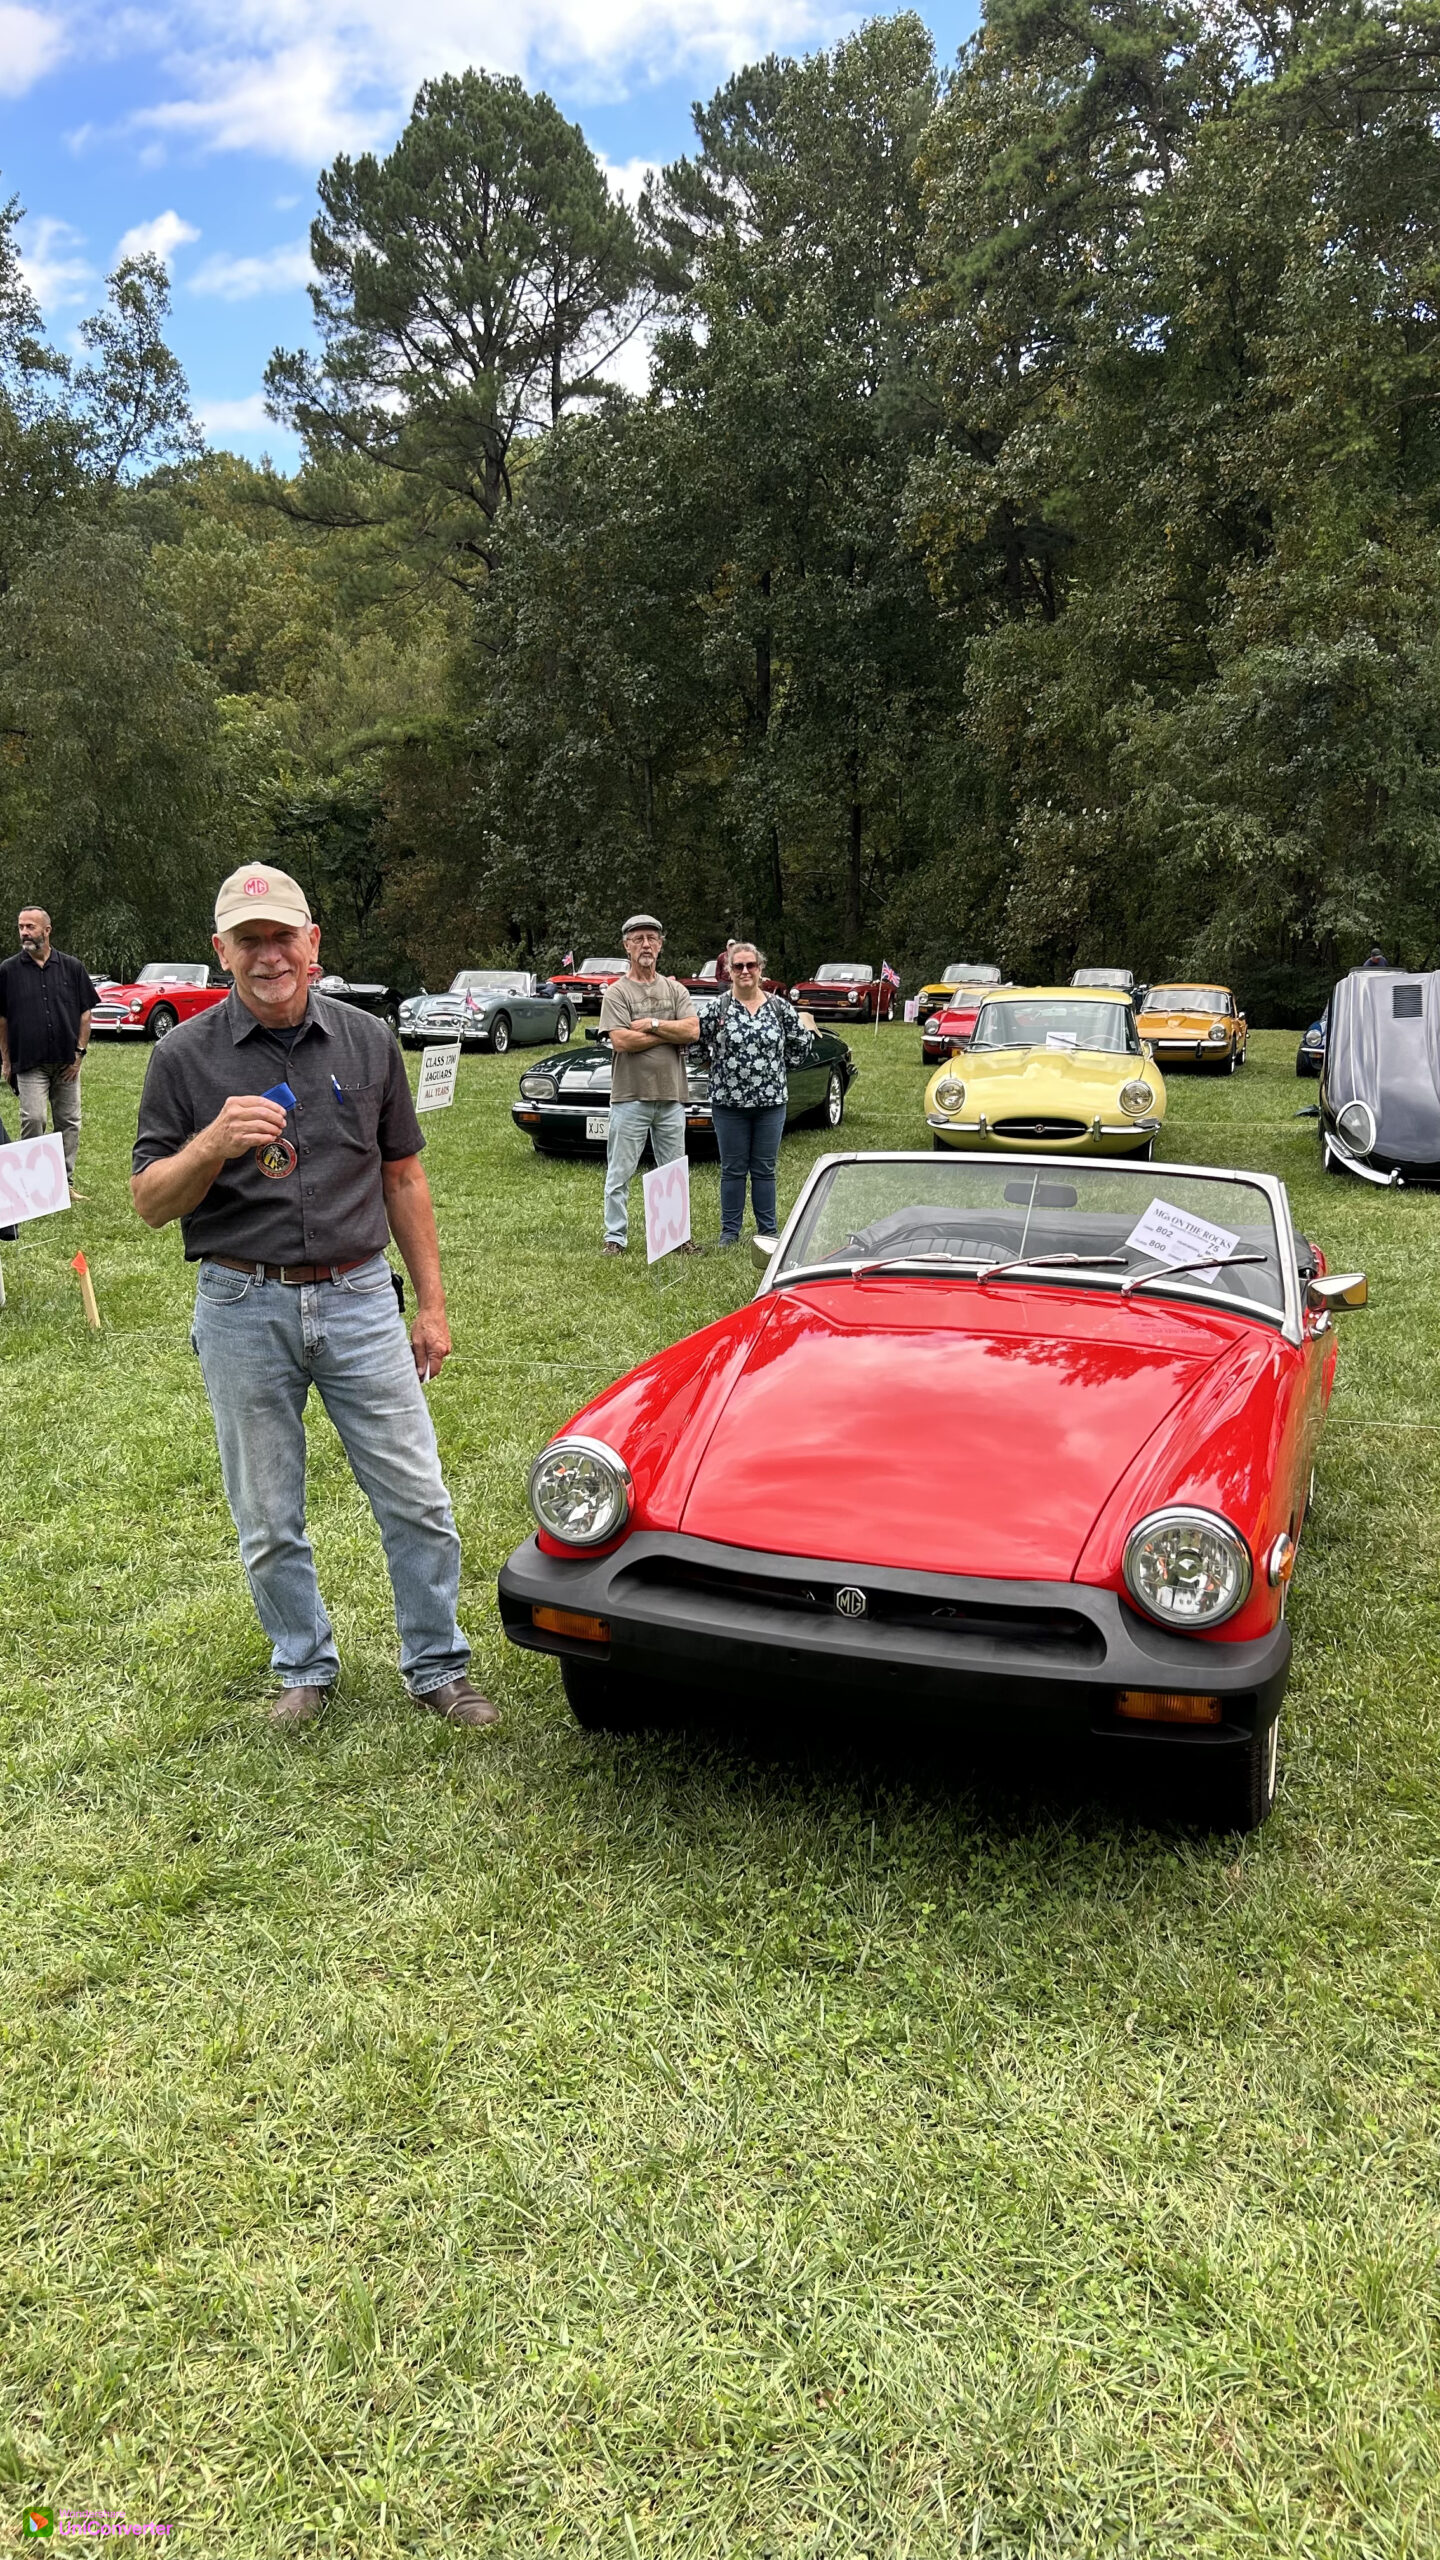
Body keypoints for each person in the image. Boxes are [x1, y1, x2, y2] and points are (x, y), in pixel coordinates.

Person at [130, 862, 495, 1732]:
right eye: (248, 941)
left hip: (360, 1297)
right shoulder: (183, 1057)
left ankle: (437, 1665)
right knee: (266, 1513)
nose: (269, 956)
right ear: (221, 950)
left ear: (313, 941)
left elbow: (403, 1177)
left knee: (417, 1497)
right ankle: (303, 1665)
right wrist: (212, 1143)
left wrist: (432, 1306)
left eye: (282, 937)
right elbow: (149, 1202)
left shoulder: (368, 1041)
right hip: (240, 1303)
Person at [694, 941, 817, 1245]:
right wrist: (713, 1065)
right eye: (738, 966)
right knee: (732, 1169)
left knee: (764, 1169)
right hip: (728, 1103)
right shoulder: (717, 1008)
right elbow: (694, 1043)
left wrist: (777, 1067)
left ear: (761, 969)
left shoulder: (779, 1007)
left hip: (770, 1103)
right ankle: (729, 1232)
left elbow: (802, 1043)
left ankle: (768, 1231)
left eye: (751, 965)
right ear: (729, 971)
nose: (745, 971)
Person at [598, 914, 700, 1256]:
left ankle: (675, 1238)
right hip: (630, 1096)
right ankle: (615, 1238)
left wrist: (652, 1024)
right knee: (620, 1172)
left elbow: (692, 1030)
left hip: (671, 1095)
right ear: (626, 946)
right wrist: (669, 1033)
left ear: (660, 945)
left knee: (673, 1173)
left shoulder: (675, 990)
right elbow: (621, 1041)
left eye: (652, 938)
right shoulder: (617, 992)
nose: (646, 945)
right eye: (638, 939)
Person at [0, 907, 98, 1197]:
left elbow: (85, 1014)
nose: (24, 933)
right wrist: (6, 1060)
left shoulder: (72, 967)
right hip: (29, 1062)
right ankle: (31, 1188)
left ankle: (64, 1185)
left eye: (30, 927)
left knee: (69, 1121)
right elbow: (2, 1020)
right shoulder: (8, 971)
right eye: (21, 927)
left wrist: (79, 1054)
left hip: (67, 1062)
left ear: (47, 930)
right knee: (34, 1119)